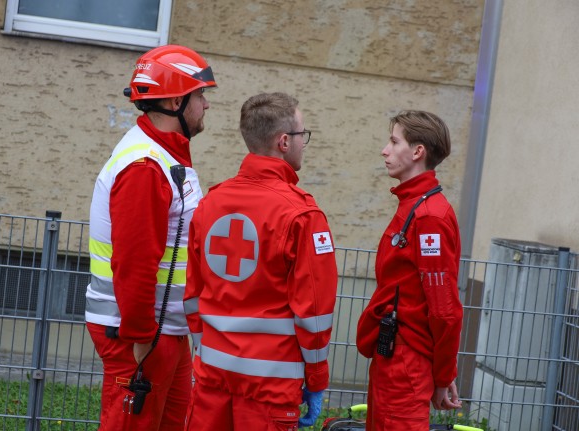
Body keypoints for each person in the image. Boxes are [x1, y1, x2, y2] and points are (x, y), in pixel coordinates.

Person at [183, 92, 338, 430]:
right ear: (284, 142)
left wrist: (206, 350)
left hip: (212, 379)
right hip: (271, 388)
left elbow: (192, 294)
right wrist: (316, 379)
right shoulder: (302, 214)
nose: (304, 143)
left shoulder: (210, 203)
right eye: (302, 135)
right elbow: (313, 314)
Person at [85, 44, 217, 431]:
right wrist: (142, 337)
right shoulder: (145, 166)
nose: (206, 105)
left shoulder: (166, 156)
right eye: (201, 95)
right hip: (140, 335)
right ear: (176, 100)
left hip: (165, 330)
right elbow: (135, 261)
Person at [356, 110, 463, 430]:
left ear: (418, 152)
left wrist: (443, 375)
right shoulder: (413, 205)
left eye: (393, 141)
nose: (384, 150)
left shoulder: (428, 216)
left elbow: (445, 310)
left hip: (406, 365)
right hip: (393, 358)